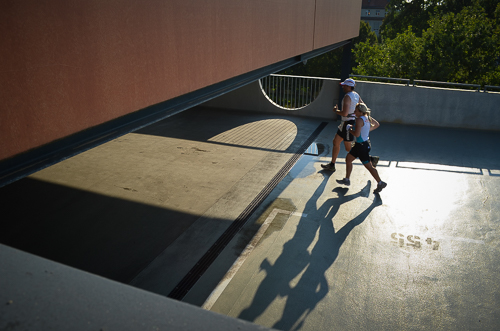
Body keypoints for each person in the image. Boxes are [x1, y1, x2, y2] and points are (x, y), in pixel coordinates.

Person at [321, 78, 379, 172]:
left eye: (344, 85)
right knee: (336, 142)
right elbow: (363, 106)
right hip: (345, 123)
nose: (342, 87)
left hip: (348, 124)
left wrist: (336, 111)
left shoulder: (347, 96)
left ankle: (370, 158)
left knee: (349, 149)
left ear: (348, 86)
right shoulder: (356, 94)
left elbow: (344, 113)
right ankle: (332, 164)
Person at [336, 102, 387, 193]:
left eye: (356, 110)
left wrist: (349, 129)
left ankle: (380, 182)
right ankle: (347, 179)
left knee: (369, 167)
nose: (354, 112)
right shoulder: (367, 118)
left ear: (360, 111)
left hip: (361, 147)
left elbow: (356, 134)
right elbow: (376, 124)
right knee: (348, 159)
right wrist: (365, 130)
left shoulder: (359, 120)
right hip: (362, 144)